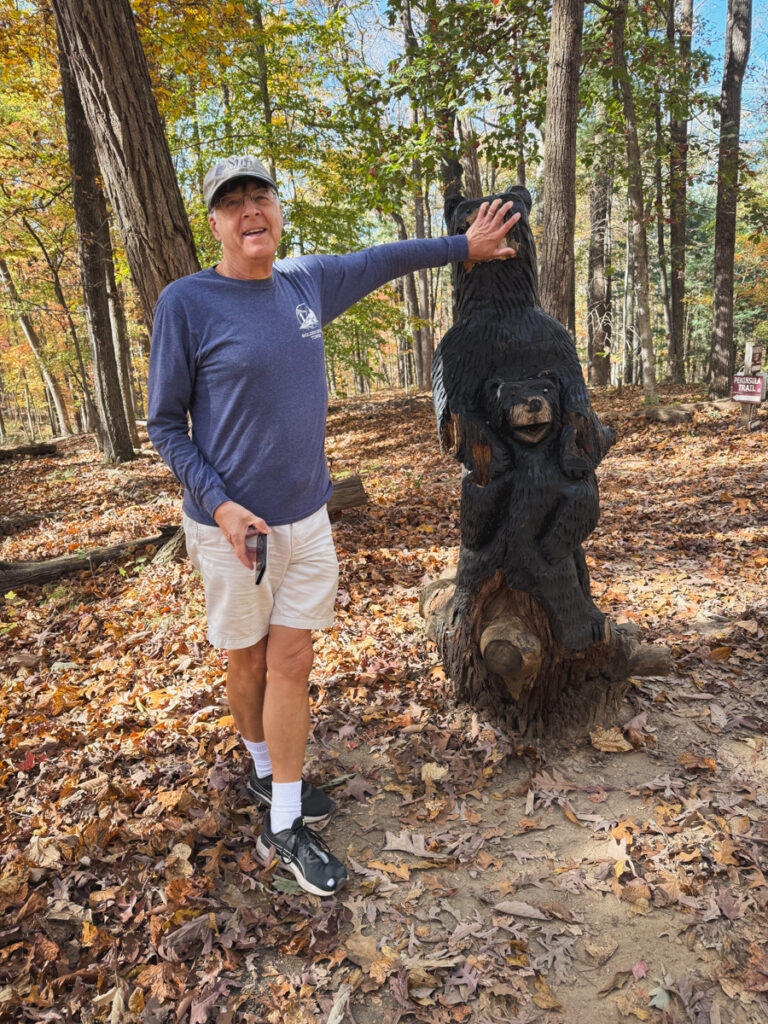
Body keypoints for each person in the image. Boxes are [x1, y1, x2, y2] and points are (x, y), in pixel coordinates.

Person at [147, 154, 520, 898]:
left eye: (260, 196)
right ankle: (263, 770)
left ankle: (283, 820)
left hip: (308, 520)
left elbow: (384, 259)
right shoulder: (187, 303)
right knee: (248, 663)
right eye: (233, 203)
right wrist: (220, 505)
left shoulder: (306, 283)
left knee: (292, 663)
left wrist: (464, 247)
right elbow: (164, 425)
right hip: (231, 531)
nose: (250, 212)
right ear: (215, 222)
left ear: (278, 209)